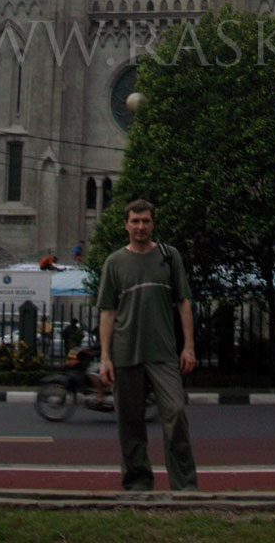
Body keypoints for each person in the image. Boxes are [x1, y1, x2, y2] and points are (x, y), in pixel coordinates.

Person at [97, 198, 198, 492]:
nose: (140, 226)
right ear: (126, 225)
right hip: (126, 353)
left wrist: (188, 346)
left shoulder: (169, 256)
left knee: (176, 413)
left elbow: (184, 302)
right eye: (135, 221)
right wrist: (105, 356)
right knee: (130, 423)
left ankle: (185, 486)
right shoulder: (114, 263)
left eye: (146, 221)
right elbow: (107, 311)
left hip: (164, 353)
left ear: (153, 224)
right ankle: (138, 484)